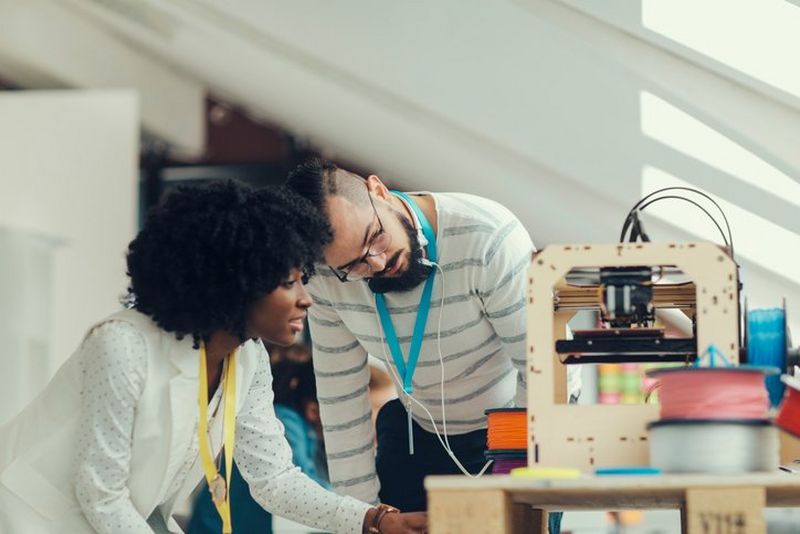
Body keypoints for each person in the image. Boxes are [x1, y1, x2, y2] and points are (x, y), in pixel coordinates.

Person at [0, 181, 426, 534]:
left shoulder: (249, 358)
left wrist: (374, 520)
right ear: (234, 282)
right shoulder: (121, 345)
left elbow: (274, 480)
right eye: (288, 283)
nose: (306, 299)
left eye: (304, 280)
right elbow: (101, 494)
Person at [287, 160, 580, 532]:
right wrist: (363, 519)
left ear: (379, 191)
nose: (377, 262)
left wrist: (510, 472)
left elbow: (546, 372)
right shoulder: (326, 277)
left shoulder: (486, 236)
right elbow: (341, 401)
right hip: (416, 430)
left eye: (375, 237)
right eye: (354, 265)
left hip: (514, 421)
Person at [187, 345, 329, 534]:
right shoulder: (286, 424)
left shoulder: (303, 430)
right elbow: (303, 484)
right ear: (313, 411)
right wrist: (357, 510)